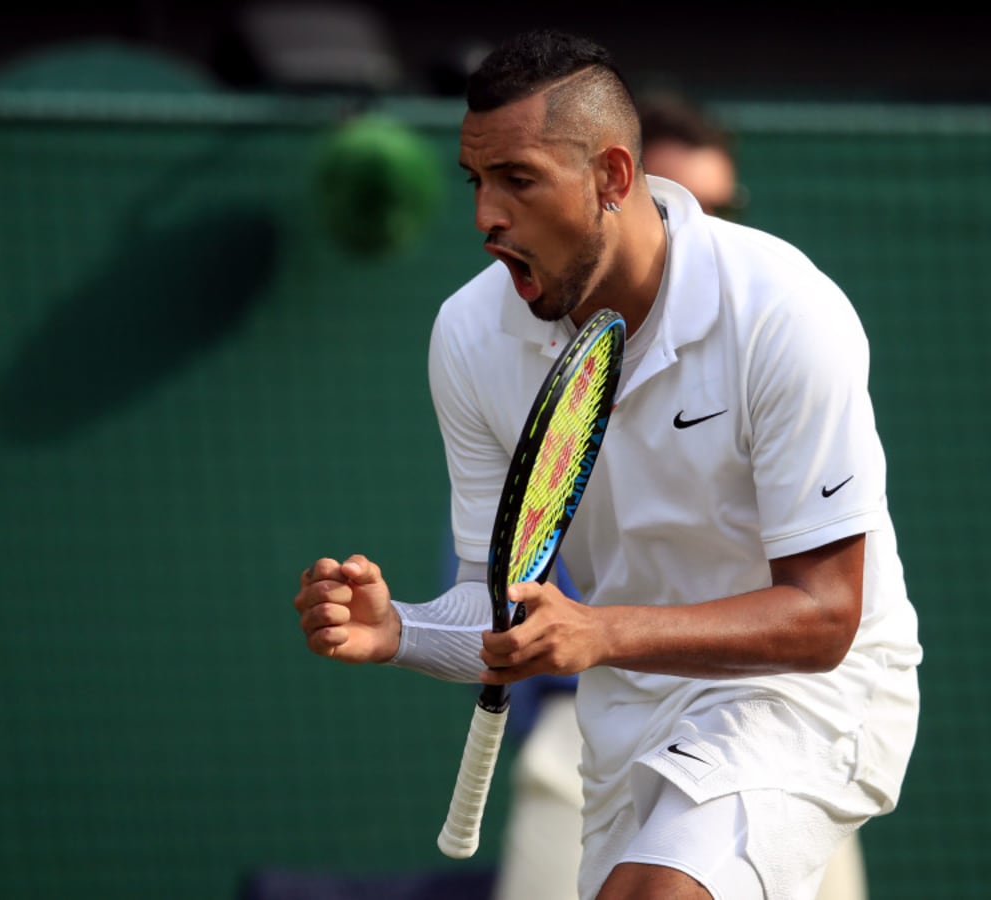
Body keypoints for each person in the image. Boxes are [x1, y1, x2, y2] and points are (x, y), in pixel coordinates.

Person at [294, 28, 921, 900]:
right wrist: (400, 631)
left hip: (807, 695)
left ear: (612, 178)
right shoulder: (468, 336)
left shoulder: (784, 311)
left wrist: (602, 632)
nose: (485, 218)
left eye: (518, 180)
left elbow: (825, 616)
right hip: (626, 709)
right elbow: (499, 605)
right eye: (476, 182)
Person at [492, 91, 868, 900]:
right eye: (676, 201)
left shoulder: (780, 329)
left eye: (722, 206)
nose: (700, 226)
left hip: (785, 720)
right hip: (586, 736)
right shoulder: (511, 355)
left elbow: (825, 607)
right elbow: (491, 593)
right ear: (614, 193)